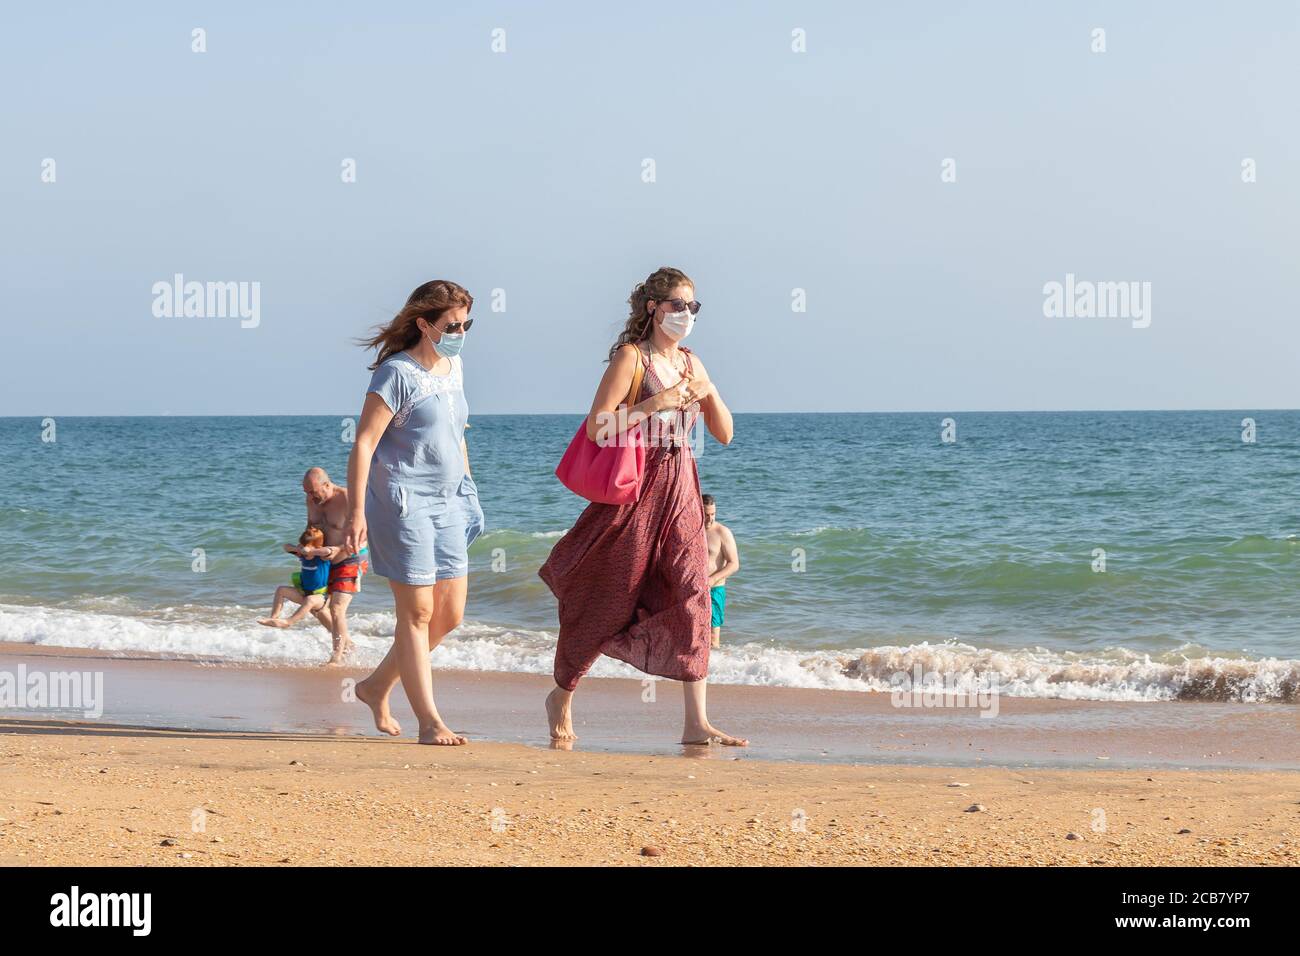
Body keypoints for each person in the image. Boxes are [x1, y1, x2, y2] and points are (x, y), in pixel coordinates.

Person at [539, 266, 746, 747]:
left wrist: (707, 390)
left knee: (693, 593)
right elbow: (598, 428)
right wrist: (660, 402)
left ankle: (696, 723)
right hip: (636, 489)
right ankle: (562, 695)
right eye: (677, 305)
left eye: (693, 307)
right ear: (653, 308)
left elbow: (725, 433)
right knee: (608, 596)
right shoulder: (632, 359)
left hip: (683, 486)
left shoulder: (693, 363)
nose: (686, 315)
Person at [343, 280, 485, 746]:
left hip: (451, 500)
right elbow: (364, 443)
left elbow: (457, 434)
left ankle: (375, 686)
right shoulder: (395, 374)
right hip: (404, 503)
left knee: (450, 615)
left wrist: (470, 491)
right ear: (424, 324)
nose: (461, 331)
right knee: (418, 612)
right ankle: (429, 720)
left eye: (466, 323)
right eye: (452, 324)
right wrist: (357, 511)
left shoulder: (455, 366)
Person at [302, 468, 368, 664]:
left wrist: (336, 550)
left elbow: (363, 537)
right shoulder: (311, 500)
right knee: (316, 606)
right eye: (306, 492)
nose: (310, 497)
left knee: (337, 608)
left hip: (350, 557)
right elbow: (310, 529)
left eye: (313, 491)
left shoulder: (348, 499)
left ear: (327, 485)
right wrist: (304, 549)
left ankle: (337, 657)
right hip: (322, 560)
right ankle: (347, 644)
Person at [258, 526, 332, 628]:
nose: (304, 550)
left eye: (306, 546)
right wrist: (297, 549)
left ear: (318, 548)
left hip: (320, 597)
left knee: (311, 601)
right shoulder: (302, 556)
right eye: (302, 545)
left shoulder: (321, 558)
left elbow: (328, 551)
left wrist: (311, 551)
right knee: (281, 590)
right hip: (303, 594)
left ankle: (288, 622)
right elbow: (286, 547)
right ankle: (274, 618)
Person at [702, 494, 739, 648]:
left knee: (712, 637)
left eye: (713, 514)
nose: (710, 518)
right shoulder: (691, 531)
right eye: (706, 515)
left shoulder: (722, 533)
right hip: (692, 588)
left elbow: (734, 564)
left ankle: (714, 670)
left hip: (714, 588)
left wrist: (711, 580)